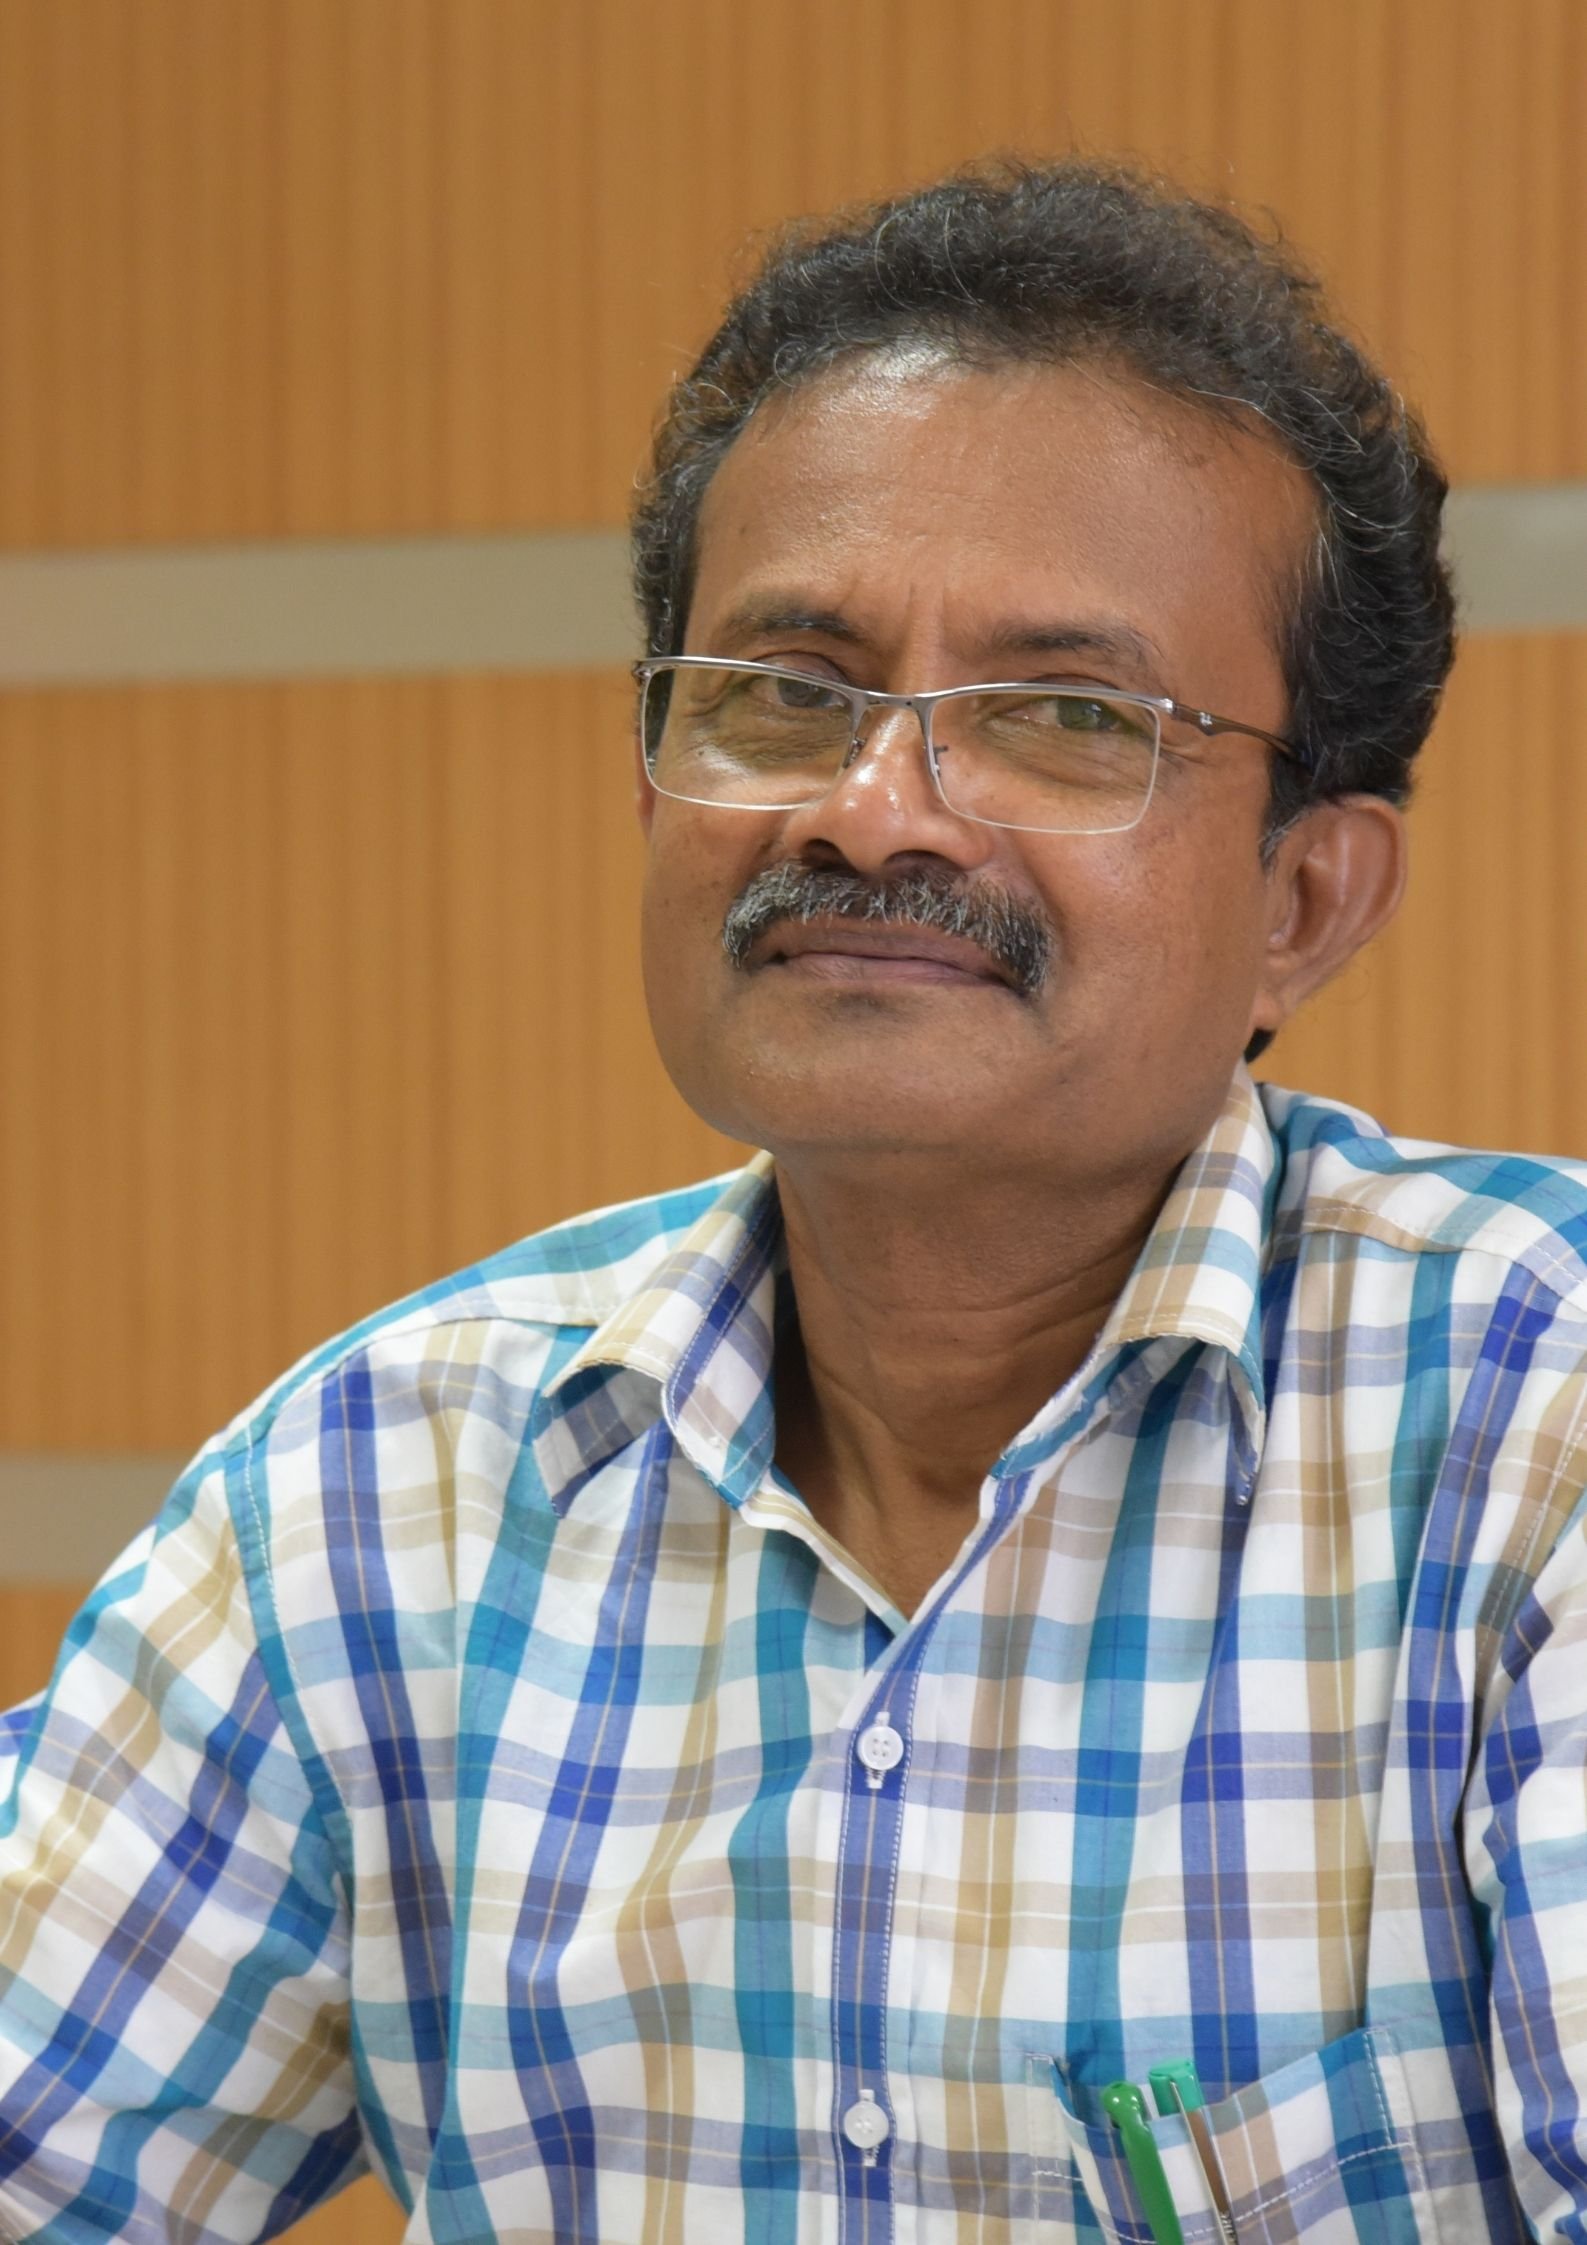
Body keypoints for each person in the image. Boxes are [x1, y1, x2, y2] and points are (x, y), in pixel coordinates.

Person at [1, 159, 1582, 2245]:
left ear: (1304, 897)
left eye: (1060, 716)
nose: (869, 810)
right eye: (784, 691)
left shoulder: (1536, 1437)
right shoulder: (379, 1497)